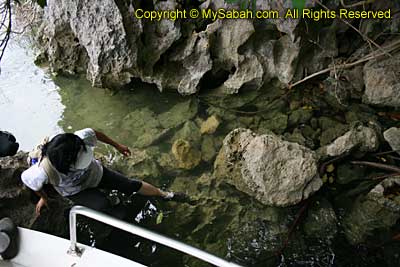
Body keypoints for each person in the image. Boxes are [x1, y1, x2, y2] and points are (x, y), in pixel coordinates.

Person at [21, 128, 179, 215]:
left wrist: (118, 146)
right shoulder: (42, 172)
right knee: (102, 205)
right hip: (74, 190)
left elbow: (95, 133)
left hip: (96, 173)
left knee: (130, 184)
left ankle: (163, 194)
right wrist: (44, 197)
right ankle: (116, 209)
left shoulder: (77, 139)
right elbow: (30, 182)